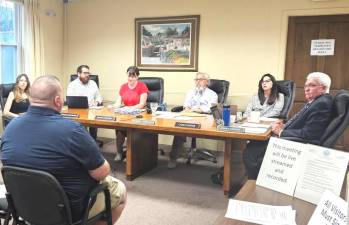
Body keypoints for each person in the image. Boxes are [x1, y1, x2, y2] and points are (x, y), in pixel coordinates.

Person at [1, 75, 126, 224]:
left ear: (31, 98)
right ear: (58, 101)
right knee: (120, 190)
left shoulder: (10, 129)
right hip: (67, 211)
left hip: (25, 206)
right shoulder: (72, 130)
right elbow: (102, 172)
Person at [243, 72, 333, 179]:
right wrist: (284, 125)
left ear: (323, 88)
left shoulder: (321, 104)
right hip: (289, 137)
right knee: (255, 144)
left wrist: (280, 132)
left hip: (293, 144)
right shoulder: (316, 102)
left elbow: (309, 134)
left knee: (252, 150)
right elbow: (304, 124)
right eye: (306, 85)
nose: (307, 89)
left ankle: (254, 182)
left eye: (312, 85)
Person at [168, 72, 218, 169]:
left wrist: (199, 110)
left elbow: (211, 108)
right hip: (189, 115)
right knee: (178, 128)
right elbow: (186, 104)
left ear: (207, 82)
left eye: (200, 79)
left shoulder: (213, 94)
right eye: (196, 80)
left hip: (205, 118)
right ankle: (173, 157)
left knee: (184, 126)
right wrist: (187, 108)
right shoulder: (190, 92)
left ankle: (180, 150)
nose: (198, 82)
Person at [113, 66, 148, 161]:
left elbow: (142, 104)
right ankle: (119, 152)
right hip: (125, 114)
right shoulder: (123, 86)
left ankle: (130, 154)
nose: (130, 78)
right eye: (129, 76)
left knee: (131, 130)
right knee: (119, 128)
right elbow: (118, 102)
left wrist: (130, 108)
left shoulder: (142, 86)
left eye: (133, 76)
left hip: (138, 114)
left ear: (137, 77)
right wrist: (114, 106)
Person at [67, 65, 102, 141]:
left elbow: (99, 97)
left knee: (93, 124)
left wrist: (96, 102)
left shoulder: (93, 83)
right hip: (78, 112)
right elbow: (70, 100)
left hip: (92, 111)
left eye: (88, 73)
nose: (87, 75)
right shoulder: (72, 85)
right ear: (79, 74)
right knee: (81, 128)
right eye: (85, 73)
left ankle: (93, 142)